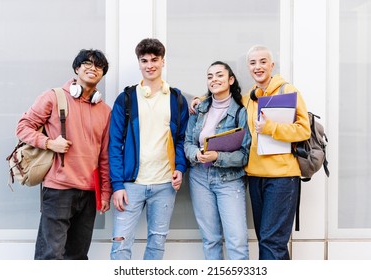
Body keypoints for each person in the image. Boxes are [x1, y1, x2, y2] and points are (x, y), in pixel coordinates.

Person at [190, 45, 311, 260]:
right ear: (248, 68)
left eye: (263, 61)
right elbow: (220, 97)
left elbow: (303, 130)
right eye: (253, 63)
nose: (258, 67)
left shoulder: (288, 91)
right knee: (265, 238)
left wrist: (270, 128)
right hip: (255, 176)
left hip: (282, 177)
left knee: (272, 240)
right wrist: (200, 99)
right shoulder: (247, 99)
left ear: (272, 65)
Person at [16, 49, 112, 260]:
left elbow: (104, 155)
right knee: (51, 255)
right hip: (58, 189)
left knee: (78, 257)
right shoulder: (53, 96)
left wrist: (104, 192)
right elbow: (23, 127)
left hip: (88, 192)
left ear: (102, 74)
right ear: (76, 68)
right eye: (86, 63)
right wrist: (49, 143)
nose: (92, 68)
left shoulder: (105, 111)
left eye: (98, 66)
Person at [109, 38, 189, 260]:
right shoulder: (125, 99)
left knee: (157, 243)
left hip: (165, 184)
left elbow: (182, 139)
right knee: (120, 245)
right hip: (130, 185)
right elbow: (114, 145)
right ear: (139, 63)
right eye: (144, 60)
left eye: (155, 59)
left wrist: (180, 168)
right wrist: (117, 185)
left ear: (163, 61)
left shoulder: (176, 99)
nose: (150, 65)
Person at [184, 61, 251, 260]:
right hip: (199, 177)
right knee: (210, 239)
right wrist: (196, 153)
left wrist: (218, 157)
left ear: (231, 80)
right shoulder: (200, 108)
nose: (214, 79)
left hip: (229, 180)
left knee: (236, 241)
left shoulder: (241, 111)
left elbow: (245, 154)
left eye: (220, 75)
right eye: (210, 76)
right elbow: (187, 142)